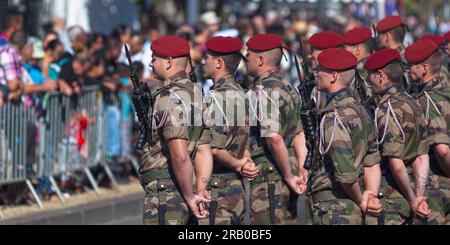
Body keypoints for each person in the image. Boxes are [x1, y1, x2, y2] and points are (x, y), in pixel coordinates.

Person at [140, 36, 211, 225]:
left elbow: (179, 155)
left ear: (169, 61)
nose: (150, 63)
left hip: (168, 192)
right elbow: (204, 148)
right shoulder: (196, 94)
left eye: (154, 59)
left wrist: (189, 196)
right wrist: (200, 188)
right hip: (187, 186)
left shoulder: (170, 98)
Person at [308, 48, 382, 225]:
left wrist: (361, 200)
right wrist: (370, 194)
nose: (316, 73)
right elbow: (372, 161)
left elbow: (346, 173)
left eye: (320, 70)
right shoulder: (362, 111)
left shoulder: (334, 116)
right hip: (354, 203)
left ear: (333, 76)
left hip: (337, 206)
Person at [364, 48, 432, 224]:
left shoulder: (387, 109)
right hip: (413, 189)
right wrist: (419, 195)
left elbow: (395, 162)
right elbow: (422, 155)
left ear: (380, 76)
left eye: (369, 76)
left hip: (392, 197)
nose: (367, 81)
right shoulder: (413, 103)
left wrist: (412, 199)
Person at [245, 34, 305, 224]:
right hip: (289, 165)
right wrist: (302, 166)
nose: (245, 59)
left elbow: (273, 137)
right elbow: (298, 133)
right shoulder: (287, 86)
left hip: (272, 172)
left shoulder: (263, 91)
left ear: (261, 60)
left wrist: (287, 175)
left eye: (249, 55)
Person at [195, 36, 253, 225]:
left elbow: (214, 148)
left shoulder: (216, 98)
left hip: (217, 189)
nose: (203, 61)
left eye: (207, 57)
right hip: (236, 189)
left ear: (219, 63)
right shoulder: (242, 93)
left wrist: (237, 165)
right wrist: (243, 163)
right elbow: (242, 141)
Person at [406, 39, 450, 224]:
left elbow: (442, 150)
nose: (408, 70)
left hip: (438, 185)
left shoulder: (428, 101)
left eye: (412, 66)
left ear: (425, 68)